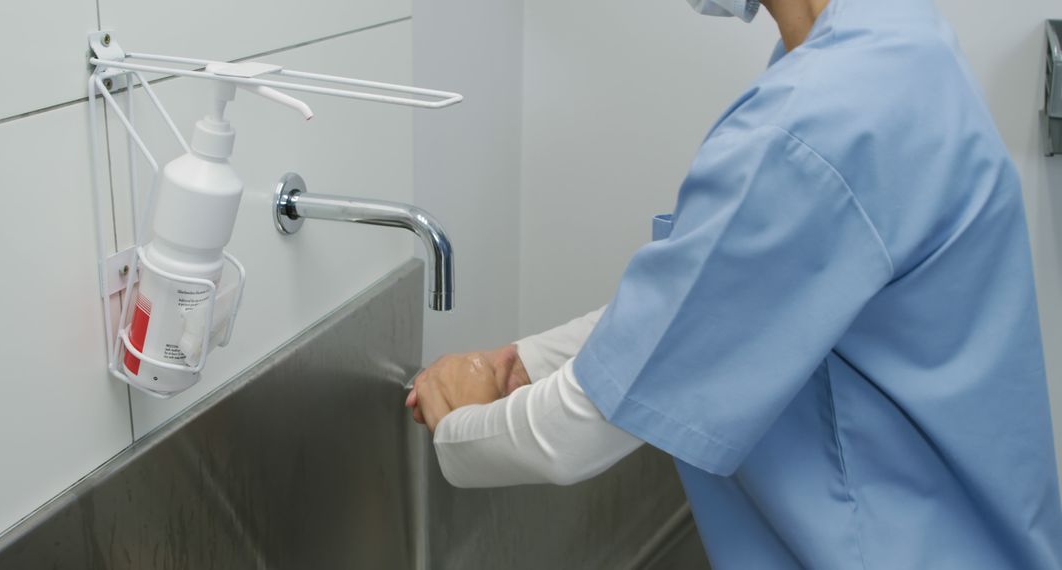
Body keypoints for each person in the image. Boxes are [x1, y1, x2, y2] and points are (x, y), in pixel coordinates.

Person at [405, 0, 1062, 567]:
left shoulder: (817, 122)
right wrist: (530, 361)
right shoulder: (892, 41)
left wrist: (461, 423)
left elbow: (572, 439)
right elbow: (716, 295)